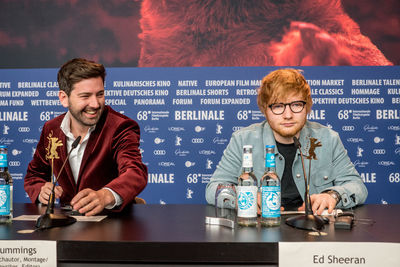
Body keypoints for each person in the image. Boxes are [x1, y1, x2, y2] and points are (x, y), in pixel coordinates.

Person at [206, 68, 367, 215]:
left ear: (307, 107)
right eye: (277, 106)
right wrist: (243, 198)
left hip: (314, 229)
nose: (288, 115)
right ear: (265, 110)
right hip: (260, 228)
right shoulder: (242, 140)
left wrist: (333, 195)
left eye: (296, 105)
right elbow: (214, 189)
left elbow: (357, 186)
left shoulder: (328, 139)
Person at [24, 58, 148, 216]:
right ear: (63, 98)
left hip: (113, 224)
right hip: (65, 224)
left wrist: (106, 195)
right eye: (85, 96)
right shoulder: (51, 129)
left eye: (100, 94)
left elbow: (135, 172)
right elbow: (34, 175)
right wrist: (41, 189)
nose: (95, 104)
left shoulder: (120, 127)